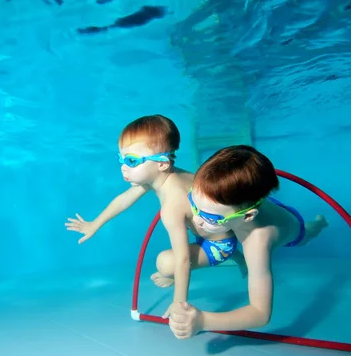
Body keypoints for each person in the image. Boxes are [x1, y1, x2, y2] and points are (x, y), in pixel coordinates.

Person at [65, 115, 247, 316]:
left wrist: (179, 302)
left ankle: (232, 253)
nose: (123, 167)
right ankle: (239, 256)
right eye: (121, 158)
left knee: (164, 263)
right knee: (189, 246)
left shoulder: (172, 204)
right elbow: (124, 199)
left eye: (131, 160)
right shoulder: (165, 174)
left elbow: (183, 258)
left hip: (219, 244)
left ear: (161, 163)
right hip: (212, 229)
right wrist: (94, 224)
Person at [165, 145, 329, 339]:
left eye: (209, 217)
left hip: (291, 226)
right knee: (219, 222)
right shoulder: (222, 207)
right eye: (194, 203)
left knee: (307, 234)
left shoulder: (257, 241)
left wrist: (204, 321)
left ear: (248, 217)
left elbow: (261, 313)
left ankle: (320, 223)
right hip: (248, 208)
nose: (196, 218)